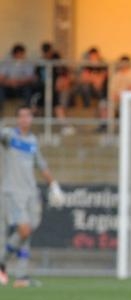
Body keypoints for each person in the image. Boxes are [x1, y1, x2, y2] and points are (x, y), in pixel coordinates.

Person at [0, 106, 65, 287]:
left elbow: (42, 165)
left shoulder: (32, 141)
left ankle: (21, 276)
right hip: (13, 192)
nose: (24, 119)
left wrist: (54, 186)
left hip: (31, 192)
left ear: (31, 119)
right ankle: (2, 262)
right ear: (17, 119)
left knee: (28, 231)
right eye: (21, 116)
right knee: (24, 230)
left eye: (27, 116)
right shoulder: (9, 136)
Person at [0, 44, 37, 116]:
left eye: (22, 54)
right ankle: (1, 111)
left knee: (28, 89)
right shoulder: (7, 62)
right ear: (14, 54)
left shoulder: (27, 63)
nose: (21, 56)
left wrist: (18, 81)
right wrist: (9, 82)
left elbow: (30, 78)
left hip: (22, 87)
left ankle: (27, 111)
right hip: (9, 87)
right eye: (19, 54)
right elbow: (1, 78)